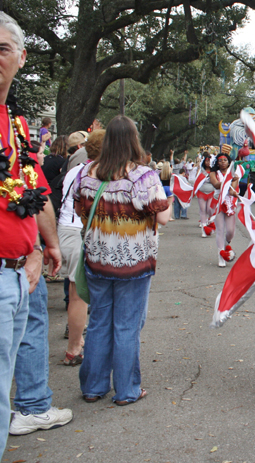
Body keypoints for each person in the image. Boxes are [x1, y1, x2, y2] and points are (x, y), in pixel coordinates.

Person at [0, 13, 66, 448]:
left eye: (2, 49)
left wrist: (46, 246)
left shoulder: (16, 125)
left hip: (20, 272)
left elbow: (34, 190)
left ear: (22, 58)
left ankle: (31, 405)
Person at [73, 115, 171, 405]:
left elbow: (80, 210)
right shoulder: (143, 176)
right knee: (127, 326)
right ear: (133, 140)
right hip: (133, 262)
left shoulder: (86, 173)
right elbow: (162, 217)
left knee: (100, 321)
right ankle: (127, 389)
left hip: (98, 259)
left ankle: (93, 386)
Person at [58, 129, 104, 367]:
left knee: (76, 290)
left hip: (65, 230)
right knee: (81, 295)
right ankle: (75, 347)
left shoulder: (74, 170)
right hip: (81, 231)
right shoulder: (96, 173)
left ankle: (75, 337)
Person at [209, 151, 240, 267]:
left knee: (231, 231)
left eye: (225, 160)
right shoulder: (214, 173)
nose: (222, 162)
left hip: (230, 204)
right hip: (217, 203)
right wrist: (229, 180)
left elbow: (232, 190)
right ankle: (220, 254)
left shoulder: (234, 174)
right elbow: (216, 185)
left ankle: (226, 243)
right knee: (220, 230)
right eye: (220, 160)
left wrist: (235, 193)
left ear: (229, 162)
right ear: (217, 162)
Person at [196, 154, 216, 236]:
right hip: (201, 192)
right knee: (202, 209)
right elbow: (196, 179)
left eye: (209, 161)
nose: (208, 162)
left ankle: (210, 223)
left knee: (209, 209)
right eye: (206, 161)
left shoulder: (214, 171)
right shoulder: (201, 170)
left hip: (211, 192)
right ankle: (204, 228)